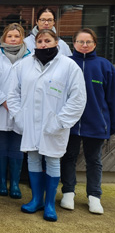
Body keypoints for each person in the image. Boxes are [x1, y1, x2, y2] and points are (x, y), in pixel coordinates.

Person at [7, 29, 86, 222]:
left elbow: (77, 99)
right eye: (40, 41)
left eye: (48, 40)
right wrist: (19, 117)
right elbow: (12, 94)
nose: (43, 44)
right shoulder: (23, 65)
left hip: (55, 125)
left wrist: (60, 122)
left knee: (52, 161)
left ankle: (50, 204)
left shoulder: (69, 66)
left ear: (56, 42)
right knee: (33, 159)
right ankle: (36, 200)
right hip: (30, 124)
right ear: (35, 44)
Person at [60, 28, 115, 215]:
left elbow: (112, 99)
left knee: (94, 161)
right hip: (70, 123)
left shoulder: (105, 66)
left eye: (88, 42)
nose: (84, 45)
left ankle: (94, 196)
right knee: (68, 158)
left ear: (95, 44)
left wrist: (111, 124)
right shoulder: (65, 64)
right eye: (80, 42)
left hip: (96, 123)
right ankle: (68, 192)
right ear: (73, 43)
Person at [0, 23, 30, 199]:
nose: (13, 39)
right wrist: (3, 100)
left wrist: (16, 104)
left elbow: (32, 83)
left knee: (17, 147)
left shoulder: (31, 58)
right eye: (10, 36)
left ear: (22, 38)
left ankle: (15, 184)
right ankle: (1, 182)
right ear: (4, 38)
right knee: (1, 145)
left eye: (16, 36)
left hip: (21, 108)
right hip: (0, 107)